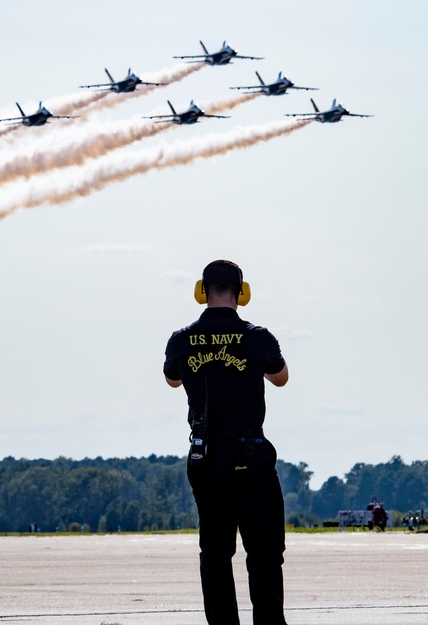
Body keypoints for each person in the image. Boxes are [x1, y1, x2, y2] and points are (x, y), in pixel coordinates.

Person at [163, 260, 290, 625]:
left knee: (215, 551)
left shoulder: (182, 338)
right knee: (264, 550)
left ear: (201, 291)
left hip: (205, 456)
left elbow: (172, 380)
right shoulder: (256, 335)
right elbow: (280, 378)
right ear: (242, 292)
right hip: (248, 452)